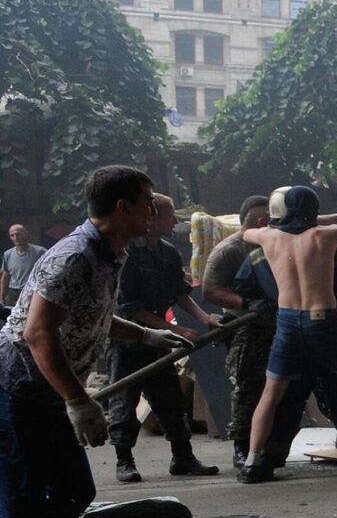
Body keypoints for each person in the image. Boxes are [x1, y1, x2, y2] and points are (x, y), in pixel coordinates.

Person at [0, 166, 195, 518]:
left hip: (53, 390)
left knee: (74, 491)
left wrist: (146, 334)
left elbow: (91, 315)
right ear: (123, 208)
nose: (154, 213)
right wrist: (78, 401)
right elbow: (38, 332)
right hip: (21, 390)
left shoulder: (111, 253)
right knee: (23, 496)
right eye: (148, 204)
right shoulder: (75, 256)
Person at [237, 186, 337, 482]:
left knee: (270, 395)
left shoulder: (266, 237)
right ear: (313, 212)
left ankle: (251, 463)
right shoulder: (327, 236)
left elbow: (245, 230)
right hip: (323, 321)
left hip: (287, 322)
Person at [204, 191, 337, 471]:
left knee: (282, 398)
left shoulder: (260, 247)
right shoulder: (324, 241)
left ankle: (262, 459)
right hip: (319, 327)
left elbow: (244, 284)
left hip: (284, 333)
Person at [104, 193, 222, 482]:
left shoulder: (168, 252)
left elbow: (180, 293)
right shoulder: (128, 252)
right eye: (170, 216)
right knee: (124, 401)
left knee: (169, 400)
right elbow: (129, 308)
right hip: (129, 340)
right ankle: (124, 461)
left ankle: (183, 457)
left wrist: (206, 319)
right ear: (152, 218)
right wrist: (175, 330)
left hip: (159, 342)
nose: (175, 222)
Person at [2, 225, 48, 307]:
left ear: (26, 234)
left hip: (31, 292)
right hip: (13, 293)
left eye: (18, 234)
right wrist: (1, 298)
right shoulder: (7, 254)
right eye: (12, 235)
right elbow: (5, 276)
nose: (15, 237)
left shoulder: (40, 252)